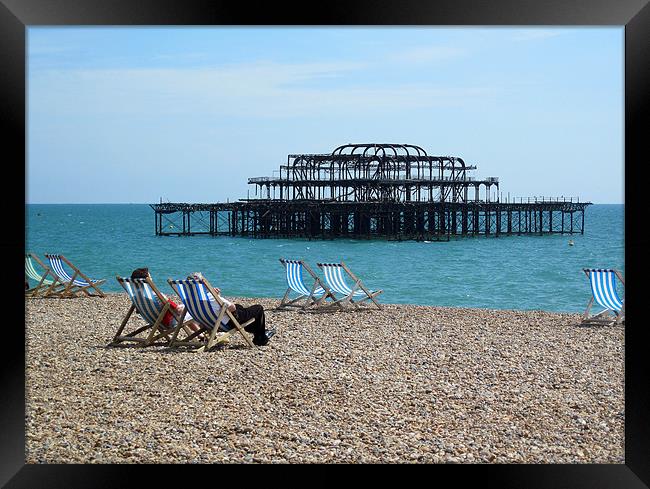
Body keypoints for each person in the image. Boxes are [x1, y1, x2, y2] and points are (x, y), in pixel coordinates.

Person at [187, 272, 275, 346]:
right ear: (203, 284)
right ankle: (260, 339)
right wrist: (215, 296)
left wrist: (217, 296)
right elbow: (232, 308)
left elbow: (214, 308)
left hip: (208, 322)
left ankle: (256, 330)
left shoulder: (188, 299)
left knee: (239, 307)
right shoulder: (209, 296)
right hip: (227, 323)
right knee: (258, 308)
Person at [130, 267, 201, 333]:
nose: (152, 279)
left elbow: (138, 311)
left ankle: (201, 333)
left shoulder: (135, 296)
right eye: (150, 277)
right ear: (147, 280)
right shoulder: (156, 295)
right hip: (168, 322)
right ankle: (201, 334)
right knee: (193, 310)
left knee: (187, 310)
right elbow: (177, 309)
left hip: (154, 321)